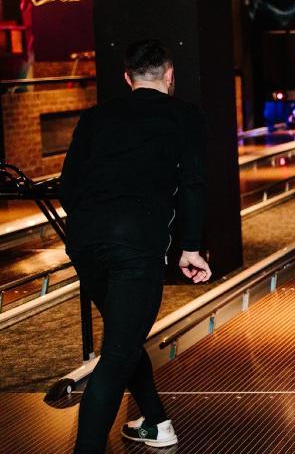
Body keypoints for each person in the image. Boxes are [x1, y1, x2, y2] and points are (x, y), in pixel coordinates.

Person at [60, 39, 213, 453]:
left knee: (122, 339)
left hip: (85, 241)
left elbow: (68, 185)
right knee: (117, 354)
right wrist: (191, 246)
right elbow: (194, 184)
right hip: (136, 243)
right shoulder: (185, 115)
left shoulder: (95, 116)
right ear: (169, 76)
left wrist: (92, 224)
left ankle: (157, 422)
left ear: (127, 79)